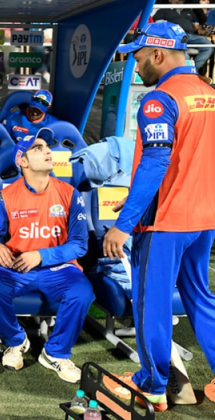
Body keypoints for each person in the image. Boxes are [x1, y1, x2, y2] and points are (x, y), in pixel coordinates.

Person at [103, 21, 215, 411]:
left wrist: (123, 225)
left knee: (151, 304)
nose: (136, 67)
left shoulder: (159, 100)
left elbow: (155, 164)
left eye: (138, 59)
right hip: (204, 219)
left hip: (166, 222)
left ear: (157, 54)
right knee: (201, 297)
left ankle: (151, 384)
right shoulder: (208, 93)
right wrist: (136, 199)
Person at [0, 127, 92, 384]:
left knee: (82, 292)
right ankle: (16, 341)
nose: (48, 151)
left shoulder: (70, 193)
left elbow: (79, 245)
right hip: (18, 268)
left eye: (48, 147)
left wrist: (41, 255)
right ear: (22, 161)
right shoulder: (6, 195)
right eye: (38, 148)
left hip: (60, 268)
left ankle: (55, 353)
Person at [153, 0, 214, 72]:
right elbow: (160, 27)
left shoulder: (189, 12)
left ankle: (193, 70)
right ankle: (186, 72)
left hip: (190, 36)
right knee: (183, 48)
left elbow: (197, 29)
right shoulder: (163, 10)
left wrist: (207, 32)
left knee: (209, 46)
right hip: (175, 36)